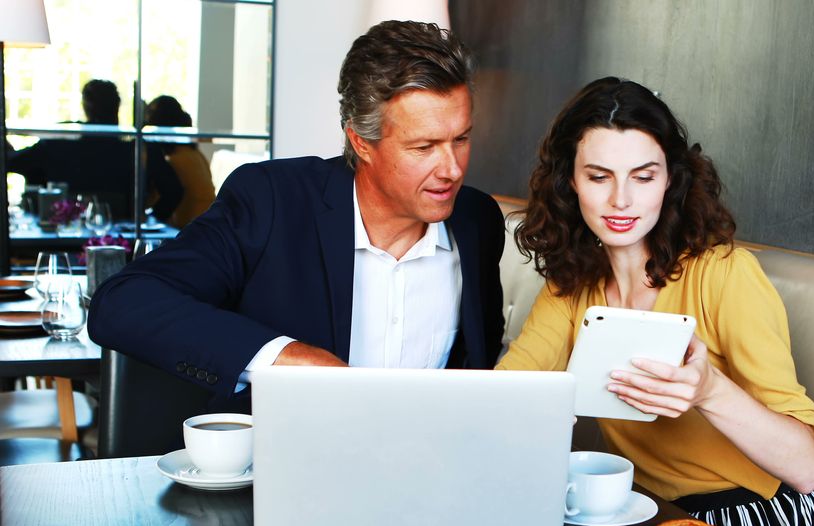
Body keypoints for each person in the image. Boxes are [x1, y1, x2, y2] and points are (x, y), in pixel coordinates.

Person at [88, 21, 505, 411]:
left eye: (461, 138)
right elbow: (122, 302)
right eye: (424, 147)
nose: (452, 169)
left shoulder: (477, 222)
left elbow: (473, 373)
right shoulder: (271, 202)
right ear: (361, 142)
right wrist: (288, 358)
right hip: (278, 474)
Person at [497, 77, 814, 526]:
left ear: (670, 178)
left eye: (643, 175)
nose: (621, 200)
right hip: (644, 518)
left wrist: (709, 390)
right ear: (569, 181)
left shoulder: (725, 275)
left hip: (752, 521)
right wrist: (533, 413)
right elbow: (507, 393)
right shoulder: (570, 286)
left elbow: (808, 467)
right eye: (599, 176)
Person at [5, 79, 183, 221]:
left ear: (86, 107)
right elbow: (174, 191)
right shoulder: (139, 148)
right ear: (117, 107)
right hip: (123, 242)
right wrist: (147, 220)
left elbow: (10, 162)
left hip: (63, 239)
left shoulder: (59, 142)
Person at [144, 95, 216, 227]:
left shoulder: (174, 159)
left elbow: (171, 195)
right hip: (210, 224)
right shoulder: (194, 154)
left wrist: (151, 218)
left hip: (191, 229)